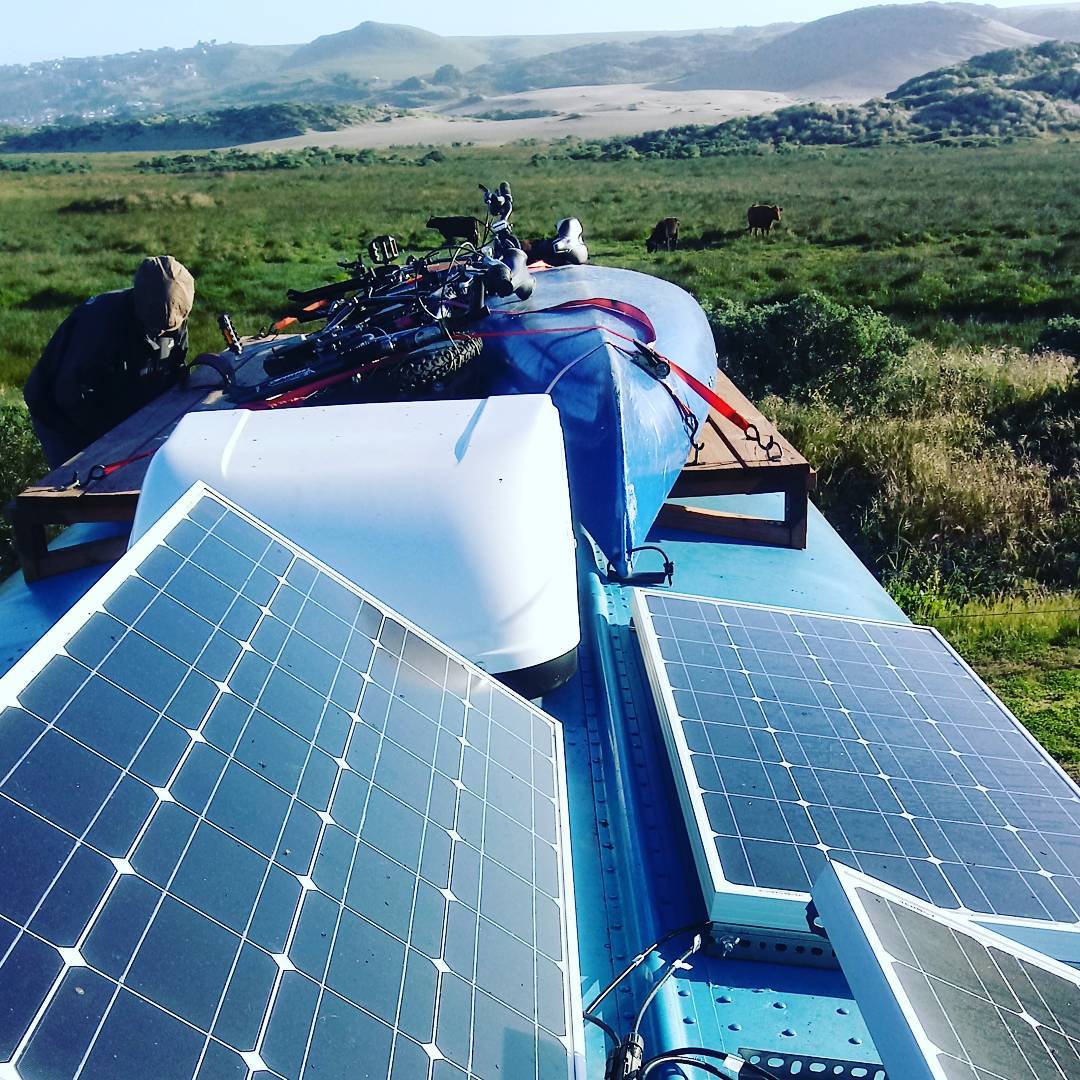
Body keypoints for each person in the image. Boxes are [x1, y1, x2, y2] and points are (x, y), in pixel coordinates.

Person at [23, 255, 195, 468]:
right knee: (82, 481)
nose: (162, 332)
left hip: (120, 399)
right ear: (138, 303)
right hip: (61, 412)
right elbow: (73, 396)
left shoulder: (172, 315)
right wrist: (117, 441)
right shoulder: (99, 325)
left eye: (167, 328)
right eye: (155, 326)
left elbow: (174, 363)